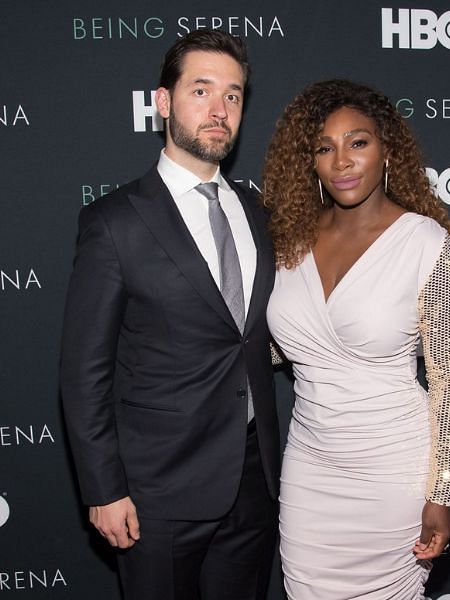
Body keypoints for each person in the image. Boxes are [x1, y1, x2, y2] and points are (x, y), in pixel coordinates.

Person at [59, 29, 279, 599]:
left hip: (254, 480)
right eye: (201, 90)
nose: (219, 110)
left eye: (232, 95)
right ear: (163, 102)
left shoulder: (258, 211)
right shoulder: (114, 222)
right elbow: (85, 374)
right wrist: (103, 489)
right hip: (157, 493)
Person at [261, 79, 450, 599]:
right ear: (308, 162)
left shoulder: (425, 243)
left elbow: (449, 377)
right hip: (309, 469)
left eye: (358, 142)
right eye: (324, 147)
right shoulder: (290, 242)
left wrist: (441, 493)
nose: (342, 161)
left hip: (391, 471)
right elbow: (279, 346)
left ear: (386, 149)